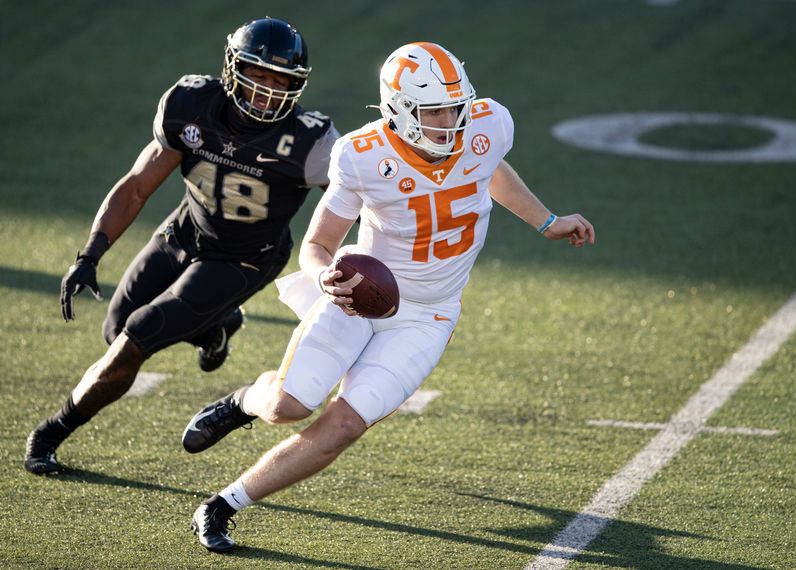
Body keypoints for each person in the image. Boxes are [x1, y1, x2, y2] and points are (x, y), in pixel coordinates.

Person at [183, 41, 595, 553]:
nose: (450, 121)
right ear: (400, 111)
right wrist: (326, 277)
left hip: (428, 316)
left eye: (455, 106)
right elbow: (317, 244)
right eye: (434, 110)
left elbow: (490, 169)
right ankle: (246, 399)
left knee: (343, 425)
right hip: (361, 296)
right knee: (289, 406)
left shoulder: (488, 125)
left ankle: (223, 504)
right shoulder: (362, 155)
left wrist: (547, 221)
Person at [23, 17, 340, 476]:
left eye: (280, 81)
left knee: (135, 339)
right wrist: (90, 254)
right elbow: (136, 186)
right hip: (186, 231)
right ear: (234, 70)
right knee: (116, 329)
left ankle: (50, 433)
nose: (268, 91)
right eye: (258, 76)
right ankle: (214, 327)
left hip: (245, 257)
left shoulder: (310, 142)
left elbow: (357, 197)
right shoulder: (191, 104)